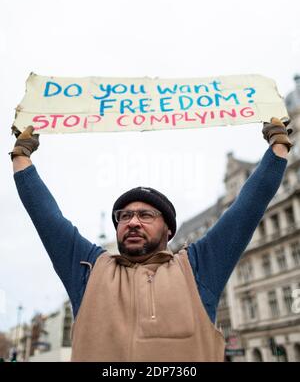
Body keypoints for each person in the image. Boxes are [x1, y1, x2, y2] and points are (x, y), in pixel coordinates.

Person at [10, 118, 293, 362]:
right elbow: (47, 217)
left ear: (169, 230)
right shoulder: (89, 269)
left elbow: (246, 209)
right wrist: (21, 155)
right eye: (124, 216)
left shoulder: (197, 267)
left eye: (145, 215)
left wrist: (278, 146)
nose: (132, 221)